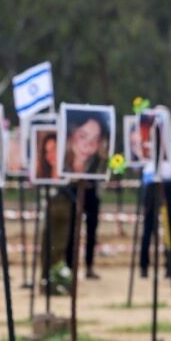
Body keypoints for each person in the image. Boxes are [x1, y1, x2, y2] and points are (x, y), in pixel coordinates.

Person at [63, 113, 108, 279]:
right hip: (72, 191)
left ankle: (88, 266)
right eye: (83, 136)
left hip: (91, 192)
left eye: (95, 138)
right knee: (71, 231)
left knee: (91, 232)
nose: (88, 143)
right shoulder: (65, 161)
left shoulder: (98, 161)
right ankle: (68, 266)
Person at [139, 110, 171, 279]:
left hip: (167, 181)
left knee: (169, 225)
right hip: (153, 181)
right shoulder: (145, 138)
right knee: (149, 225)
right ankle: (145, 265)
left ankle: (168, 265)